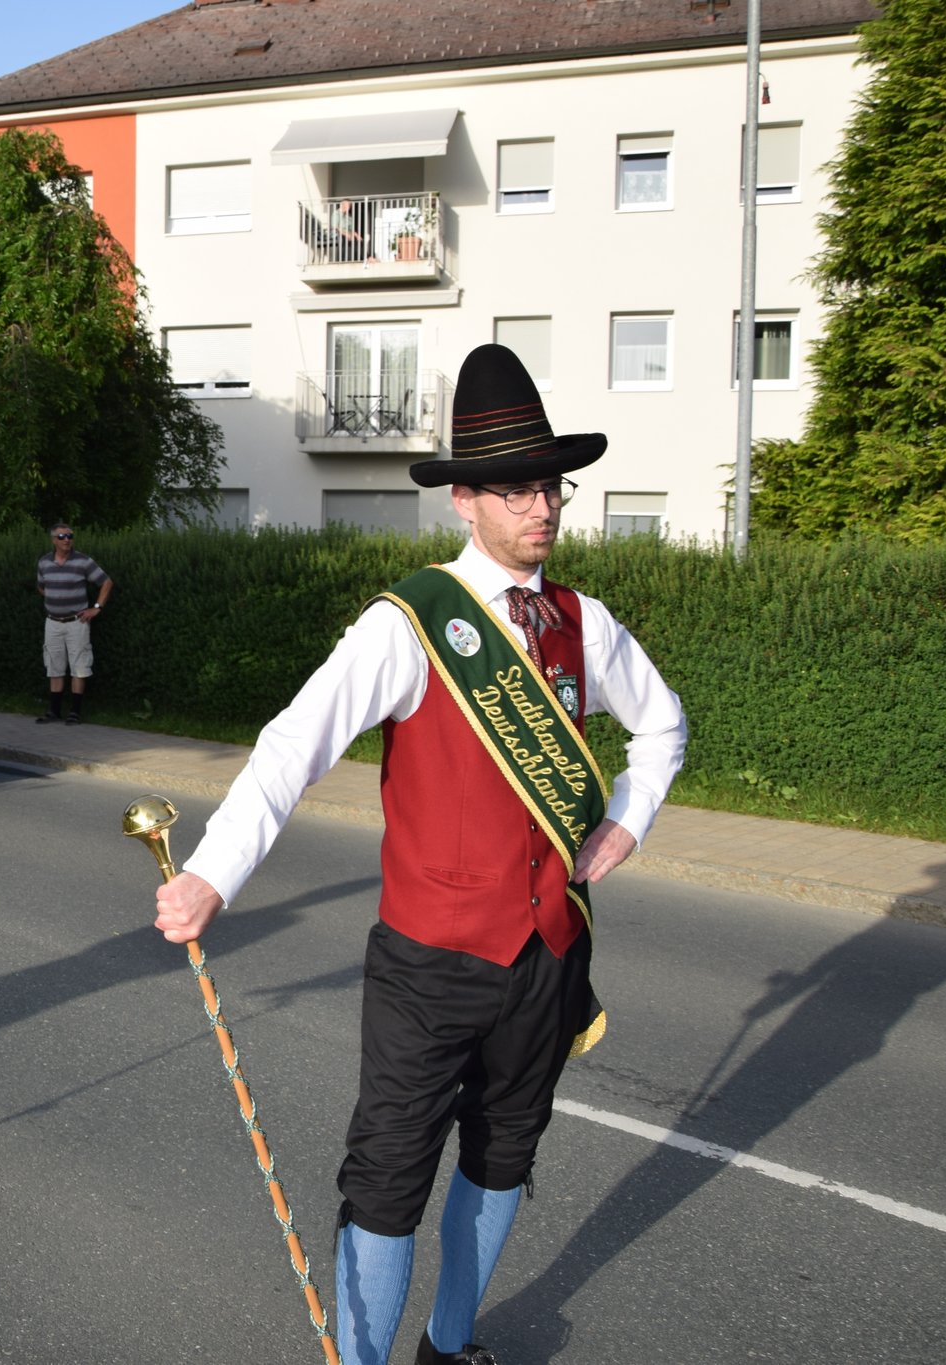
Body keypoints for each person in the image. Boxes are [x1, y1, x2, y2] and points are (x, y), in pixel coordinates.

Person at [151, 345, 687, 1365]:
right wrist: (212, 874)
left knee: (499, 1162)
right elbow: (290, 746)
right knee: (389, 1182)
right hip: (428, 962)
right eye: (518, 489)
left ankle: (448, 1349)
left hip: (545, 957)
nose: (544, 508)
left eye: (551, 486)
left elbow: (662, 728)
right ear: (464, 503)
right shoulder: (409, 624)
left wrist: (625, 818)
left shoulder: (583, 622)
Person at [36, 521, 111, 725]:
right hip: (52, 621)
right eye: (62, 537)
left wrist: (96, 607)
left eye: (70, 536)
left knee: (79, 664)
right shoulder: (44, 563)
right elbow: (42, 587)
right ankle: (54, 711)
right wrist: (56, 598)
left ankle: (75, 712)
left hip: (76, 621)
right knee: (54, 664)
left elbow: (106, 582)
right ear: (53, 540)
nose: (67, 540)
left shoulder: (83, 562)